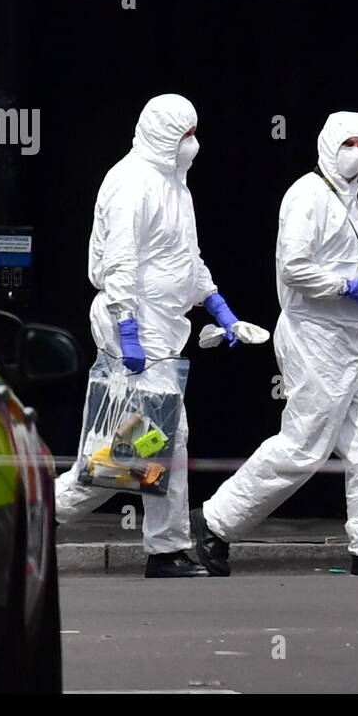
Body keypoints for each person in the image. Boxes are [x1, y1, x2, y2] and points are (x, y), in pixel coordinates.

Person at [190, 112, 358, 576]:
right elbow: (294, 268)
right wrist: (352, 288)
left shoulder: (350, 201)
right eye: (348, 142)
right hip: (314, 336)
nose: (355, 153)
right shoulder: (307, 194)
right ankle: (214, 521)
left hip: (350, 338)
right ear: (328, 143)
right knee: (303, 446)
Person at [56, 94, 261, 578]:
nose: (193, 143)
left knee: (147, 447)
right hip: (138, 331)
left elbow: (185, 260)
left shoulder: (175, 185)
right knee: (144, 446)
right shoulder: (131, 183)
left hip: (161, 332)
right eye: (185, 134)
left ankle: (163, 548)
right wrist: (128, 331)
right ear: (164, 135)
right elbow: (120, 264)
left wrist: (221, 310)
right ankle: (41, 518)